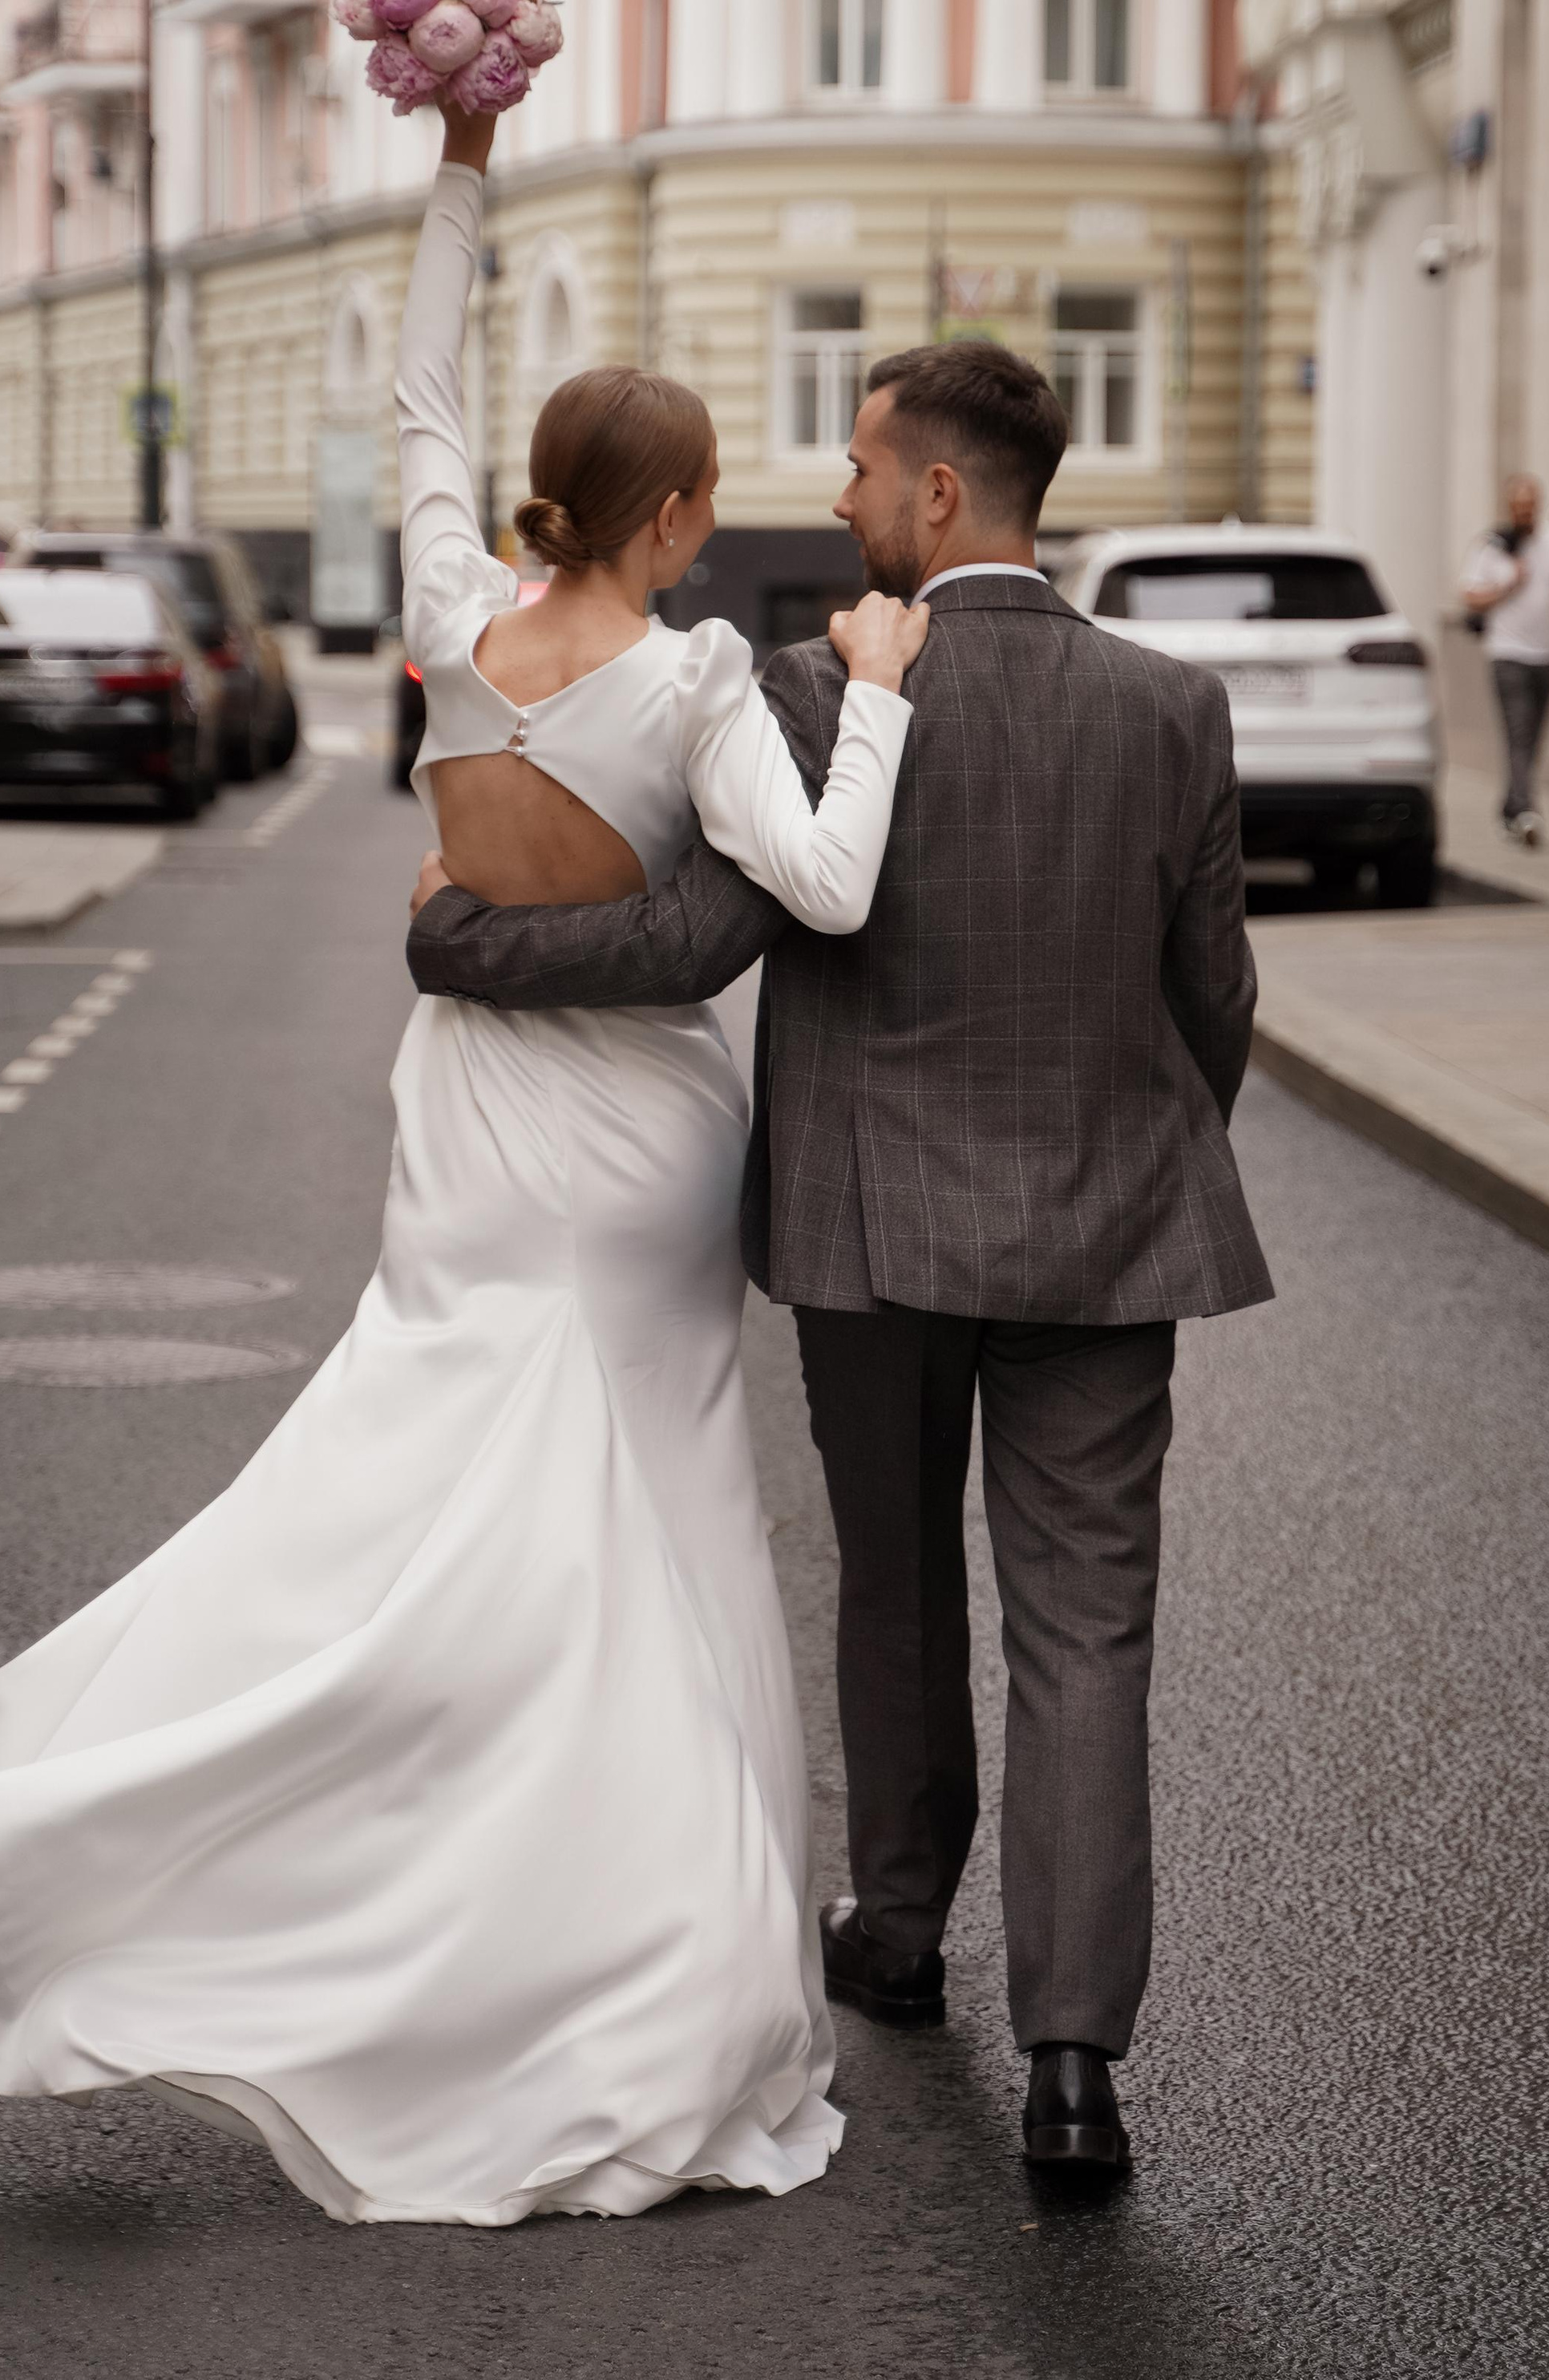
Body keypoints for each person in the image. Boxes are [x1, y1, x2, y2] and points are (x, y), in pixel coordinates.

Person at [0, 99, 929, 2228]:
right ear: (676, 516)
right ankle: (641, 1963)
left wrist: (469, 158)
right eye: (697, 506)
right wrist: (867, 690)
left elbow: (420, 390)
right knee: (657, 1529)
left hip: (470, 1126)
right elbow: (835, 892)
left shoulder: (445, 611)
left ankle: (211, 1842)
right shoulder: (694, 682)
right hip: (641, 1143)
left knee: (427, 1483)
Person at [410, 337, 1272, 2177]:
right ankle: (1067, 2062)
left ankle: (895, 1929)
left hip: (874, 1236)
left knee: (890, 1585)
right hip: (1110, 1241)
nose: (839, 493)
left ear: (939, 494)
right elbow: (1215, 1005)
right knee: (1085, 1632)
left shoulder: (814, 683)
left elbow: (690, 941)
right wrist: (1128, 1137)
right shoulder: (1169, 707)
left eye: (865, 465)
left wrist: (455, 942)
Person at [1460, 475, 1549, 845]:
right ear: (1509, 508)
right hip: (1507, 653)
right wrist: (1508, 584)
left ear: (1538, 505)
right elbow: (1470, 597)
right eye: (1518, 507)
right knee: (1519, 731)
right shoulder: (1492, 546)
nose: (1524, 512)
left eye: (1530, 506)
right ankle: (1526, 812)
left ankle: (1510, 806)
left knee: (1532, 735)